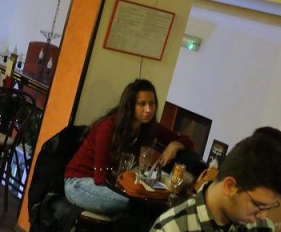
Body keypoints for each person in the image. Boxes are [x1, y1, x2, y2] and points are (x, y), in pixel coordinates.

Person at [144, 134, 281, 232]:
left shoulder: (263, 230)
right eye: (259, 205)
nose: (263, 216)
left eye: (269, 207)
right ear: (230, 186)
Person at [62, 78, 192, 216]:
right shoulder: (107, 128)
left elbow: (188, 141)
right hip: (79, 183)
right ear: (130, 106)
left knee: (148, 203)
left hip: (110, 183)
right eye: (142, 104)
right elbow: (100, 178)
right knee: (138, 205)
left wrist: (174, 145)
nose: (148, 109)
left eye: (152, 103)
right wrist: (133, 189)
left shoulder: (148, 127)